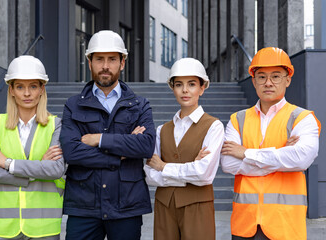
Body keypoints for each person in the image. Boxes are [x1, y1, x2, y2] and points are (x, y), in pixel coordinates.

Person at [60, 30, 156, 240]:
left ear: (122, 63)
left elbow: (146, 146)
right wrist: (120, 152)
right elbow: (72, 152)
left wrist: (98, 140)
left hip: (126, 204)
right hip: (84, 205)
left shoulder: (140, 105)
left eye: (112, 59)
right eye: (99, 59)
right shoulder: (73, 105)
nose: (105, 66)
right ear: (89, 61)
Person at [221, 47, 321, 240]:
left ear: (288, 79)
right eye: (261, 77)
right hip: (244, 224)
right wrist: (281, 157)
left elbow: (301, 159)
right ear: (254, 81)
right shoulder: (237, 119)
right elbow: (228, 164)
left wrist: (246, 153)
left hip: (285, 225)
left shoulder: (302, 118)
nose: (268, 83)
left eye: (276, 76)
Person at [0, 55, 65, 240]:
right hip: (3, 225)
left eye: (33, 86)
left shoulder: (55, 125)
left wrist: (8, 163)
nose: (27, 93)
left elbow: (56, 170)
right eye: (20, 87)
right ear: (11, 90)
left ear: (42, 89)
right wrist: (37, 170)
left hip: (43, 225)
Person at [144, 58, 224, 240]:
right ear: (172, 88)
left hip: (198, 207)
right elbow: (149, 174)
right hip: (164, 206)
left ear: (202, 88)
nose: (185, 90)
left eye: (192, 84)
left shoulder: (214, 126)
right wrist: (189, 172)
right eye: (179, 84)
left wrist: (164, 167)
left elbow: (204, 174)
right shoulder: (161, 130)